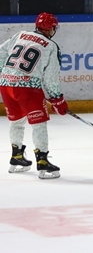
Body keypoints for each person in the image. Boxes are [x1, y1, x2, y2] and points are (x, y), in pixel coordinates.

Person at [0, 12, 68, 179]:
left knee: (16, 121)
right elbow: (51, 77)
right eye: (53, 27)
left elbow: (1, 53)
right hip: (28, 88)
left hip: (6, 84)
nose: (54, 30)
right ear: (49, 28)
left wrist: (6, 74)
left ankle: (16, 157)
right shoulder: (51, 46)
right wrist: (57, 99)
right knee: (39, 123)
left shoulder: (20, 35)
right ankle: (43, 161)